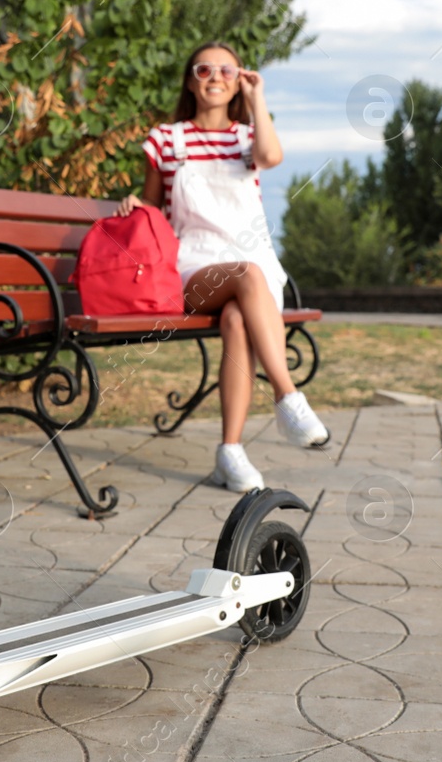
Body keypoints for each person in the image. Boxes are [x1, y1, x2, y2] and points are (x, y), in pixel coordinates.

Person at [118, 41, 330, 491]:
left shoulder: (245, 137)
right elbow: (155, 211)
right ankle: (287, 396)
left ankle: (229, 453)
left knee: (237, 318)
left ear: (239, 82)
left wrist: (257, 99)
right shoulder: (166, 138)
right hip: (193, 265)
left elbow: (272, 158)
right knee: (246, 277)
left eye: (227, 72)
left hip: (249, 263)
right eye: (204, 69)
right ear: (190, 79)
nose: (215, 77)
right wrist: (135, 205)